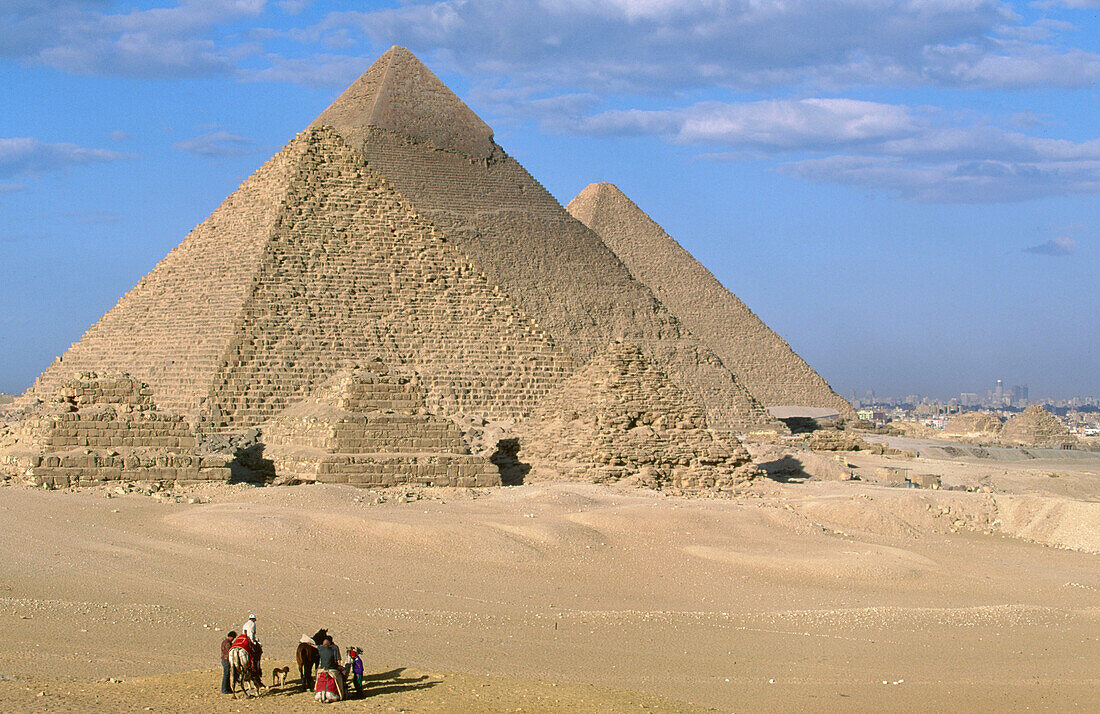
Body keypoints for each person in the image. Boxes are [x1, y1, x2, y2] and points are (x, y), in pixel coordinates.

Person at [317, 636, 347, 701]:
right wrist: (340, 667)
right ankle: (343, 689)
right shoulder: (335, 648)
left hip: (322, 668)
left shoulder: (321, 648)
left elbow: (314, 646)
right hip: (332, 668)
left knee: (317, 673)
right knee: (343, 673)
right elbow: (338, 660)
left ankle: (316, 688)